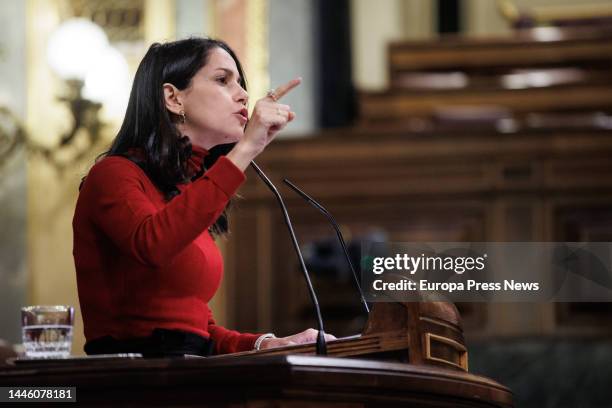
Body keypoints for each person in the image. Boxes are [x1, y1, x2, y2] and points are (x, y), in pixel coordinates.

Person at [73, 37, 334, 357]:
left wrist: (265, 343)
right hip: (134, 380)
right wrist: (247, 148)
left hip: (189, 373)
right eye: (223, 80)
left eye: (240, 83)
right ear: (173, 98)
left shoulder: (186, 192)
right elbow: (153, 245)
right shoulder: (113, 175)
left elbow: (195, 329)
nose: (243, 95)